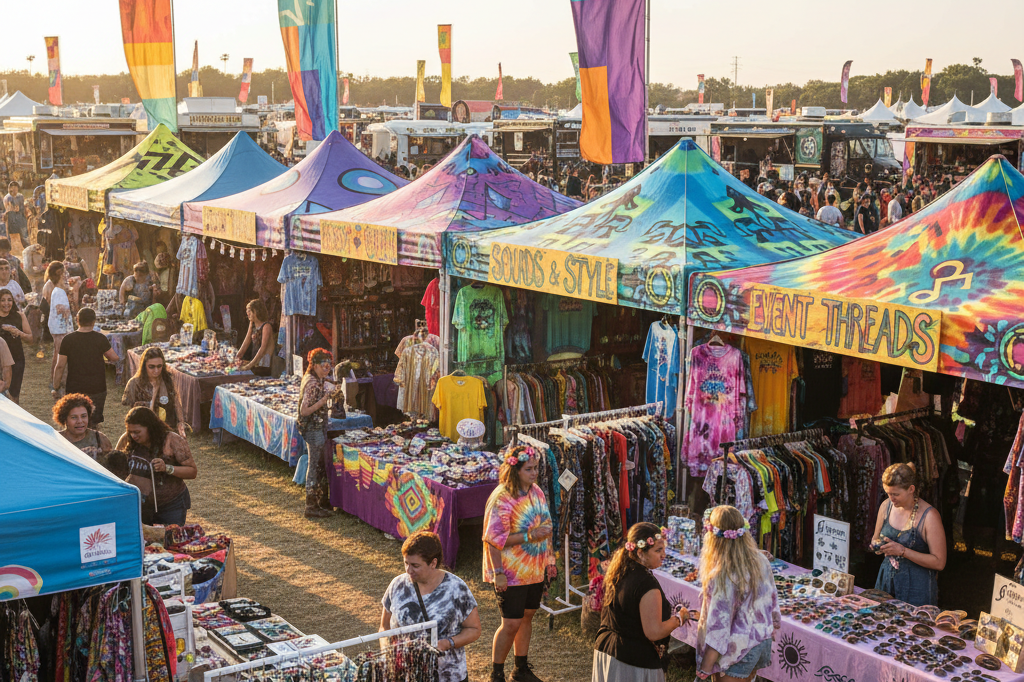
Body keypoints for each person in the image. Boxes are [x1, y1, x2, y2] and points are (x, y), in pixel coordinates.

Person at [483, 445, 556, 682]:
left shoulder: (537, 493)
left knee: (527, 615)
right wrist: (498, 573)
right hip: (511, 571)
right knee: (511, 622)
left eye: (536, 468)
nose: (534, 473)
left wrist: (550, 558)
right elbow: (494, 540)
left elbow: (546, 529)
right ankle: (496, 673)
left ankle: (520, 669)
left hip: (535, 569)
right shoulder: (502, 498)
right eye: (529, 469)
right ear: (515, 470)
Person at [380, 531, 482, 682]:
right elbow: (384, 626)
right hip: (407, 675)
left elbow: (474, 629)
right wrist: (389, 655)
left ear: (433, 563)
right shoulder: (397, 585)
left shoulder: (456, 588)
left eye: (415, 565)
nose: (408, 570)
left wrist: (448, 643)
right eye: (406, 563)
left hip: (447, 675)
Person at [694, 506, 780, 681]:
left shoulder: (724, 574)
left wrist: (705, 669)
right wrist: (773, 623)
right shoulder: (761, 560)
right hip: (760, 641)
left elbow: (719, 627)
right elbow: (772, 601)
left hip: (737, 649)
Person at [593, 522, 685, 682]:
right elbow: (654, 632)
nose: (664, 555)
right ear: (641, 553)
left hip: (607, 651)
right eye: (658, 550)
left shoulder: (619, 570)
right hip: (631, 663)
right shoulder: (647, 585)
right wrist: (679, 618)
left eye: (664, 549)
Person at [872, 462, 945, 606]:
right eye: (888, 493)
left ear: (911, 489)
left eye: (896, 494)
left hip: (917, 587)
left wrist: (903, 551)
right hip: (887, 580)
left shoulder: (929, 516)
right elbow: (875, 538)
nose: (891, 499)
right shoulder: (886, 506)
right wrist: (877, 545)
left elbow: (939, 562)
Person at [116, 406, 197, 525]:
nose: (133, 436)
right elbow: (114, 465)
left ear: (150, 428)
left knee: (169, 541)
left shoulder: (172, 440)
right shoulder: (126, 440)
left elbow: (192, 471)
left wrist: (167, 468)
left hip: (171, 506)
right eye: (130, 432)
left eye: (137, 432)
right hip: (139, 507)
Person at [52, 307, 119, 425]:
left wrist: (56, 386)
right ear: (94, 322)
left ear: (77, 320)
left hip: (75, 388)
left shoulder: (68, 339)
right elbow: (114, 357)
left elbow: (60, 366)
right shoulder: (100, 338)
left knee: (74, 422)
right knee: (93, 422)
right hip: (97, 387)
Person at [298, 348, 343, 518]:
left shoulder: (315, 379)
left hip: (316, 428)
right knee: (315, 465)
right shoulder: (312, 383)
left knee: (318, 464)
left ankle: (321, 501)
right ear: (314, 365)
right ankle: (311, 505)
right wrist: (324, 400)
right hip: (313, 429)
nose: (327, 367)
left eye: (329, 364)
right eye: (323, 364)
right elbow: (304, 411)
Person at [122, 346, 187, 437]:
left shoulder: (168, 379)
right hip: (145, 431)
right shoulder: (134, 384)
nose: (156, 370)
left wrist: (181, 422)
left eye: (159, 366)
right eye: (151, 367)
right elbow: (131, 415)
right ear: (144, 366)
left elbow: (176, 400)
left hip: (168, 427)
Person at [45, 261, 77, 388]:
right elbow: (59, 308)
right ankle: (59, 381)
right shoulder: (58, 291)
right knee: (61, 355)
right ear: (60, 275)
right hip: (60, 329)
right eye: (64, 273)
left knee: (58, 354)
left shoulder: (59, 290)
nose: (66, 276)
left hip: (58, 327)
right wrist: (68, 310)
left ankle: (55, 380)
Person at [53, 393, 113, 460]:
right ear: (65, 419)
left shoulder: (100, 440)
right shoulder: (55, 440)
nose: (80, 421)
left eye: (83, 416)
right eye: (74, 417)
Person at [0, 289, 31, 402]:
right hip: (0, 361)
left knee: (14, 394)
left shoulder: (19, 316)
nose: (6, 303)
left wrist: (18, 332)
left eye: (9, 300)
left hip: (17, 359)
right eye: (3, 300)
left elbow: (30, 339)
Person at [235, 299, 275, 376]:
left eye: (249, 310)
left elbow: (262, 349)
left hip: (264, 366)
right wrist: (236, 358)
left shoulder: (266, 326)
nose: (247, 313)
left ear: (256, 311)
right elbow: (245, 343)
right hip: (255, 363)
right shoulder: (252, 325)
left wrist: (249, 365)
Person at [3, 181, 28, 250]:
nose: (14, 189)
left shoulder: (20, 196)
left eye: (15, 187)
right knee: (10, 235)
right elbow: (8, 208)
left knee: (24, 234)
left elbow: (22, 207)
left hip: (20, 217)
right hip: (11, 218)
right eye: (12, 188)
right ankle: (9, 249)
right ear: (9, 189)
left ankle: (27, 246)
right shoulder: (7, 197)